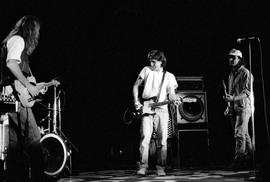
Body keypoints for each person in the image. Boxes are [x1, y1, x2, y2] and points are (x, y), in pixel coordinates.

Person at [0, 15, 47, 182]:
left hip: (11, 98)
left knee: (14, 146)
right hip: (15, 99)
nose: (38, 35)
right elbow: (11, 63)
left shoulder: (13, 40)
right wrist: (28, 86)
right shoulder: (18, 40)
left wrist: (34, 87)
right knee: (34, 140)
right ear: (31, 30)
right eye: (37, 31)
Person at [133, 50, 179, 176]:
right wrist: (136, 101)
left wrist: (174, 100)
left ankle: (161, 167)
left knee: (162, 140)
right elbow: (136, 85)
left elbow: (171, 92)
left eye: (154, 61)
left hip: (162, 109)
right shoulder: (146, 70)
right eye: (150, 61)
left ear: (161, 61)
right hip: (147, 106)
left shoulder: (169, 76)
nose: (151, 63)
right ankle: (143, 166)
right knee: (145, 138)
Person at [223, 48, 254, 171]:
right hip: (236, 107)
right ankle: (251, 159)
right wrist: (228, 106)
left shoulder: (246, 73)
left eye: (233, 57)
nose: (231, 59)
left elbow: (246, 92)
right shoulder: (231, 73)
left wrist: (233, 99)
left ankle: (239, 161)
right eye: (230, 57)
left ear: (239, 59)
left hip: (244, 107)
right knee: (244, 135)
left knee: (239, 134)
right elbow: (231, 92)